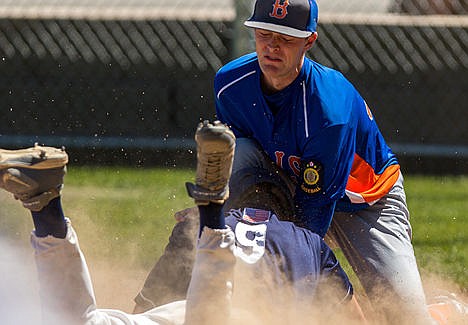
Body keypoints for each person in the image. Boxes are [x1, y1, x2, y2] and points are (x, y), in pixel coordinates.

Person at [134, 1, 463, 324]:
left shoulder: (328, 110)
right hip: (290, 181)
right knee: (237, 149)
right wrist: (214, 215)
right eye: (265, 34)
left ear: (309, 41)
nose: (272, 47)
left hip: (364, 200)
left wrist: (289, 286)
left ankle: (443, 311)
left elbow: (310, 230)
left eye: (286, 38)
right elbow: (239, 164)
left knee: (405, 319)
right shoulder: (230, 84)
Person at [0, 122, 369, 325]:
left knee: (83, 323)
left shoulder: (186, 227)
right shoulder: (308, 242)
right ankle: (211, 204)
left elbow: (144, 308)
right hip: (229, 317)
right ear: (285, 210)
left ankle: (46, 208)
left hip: (175, 314)